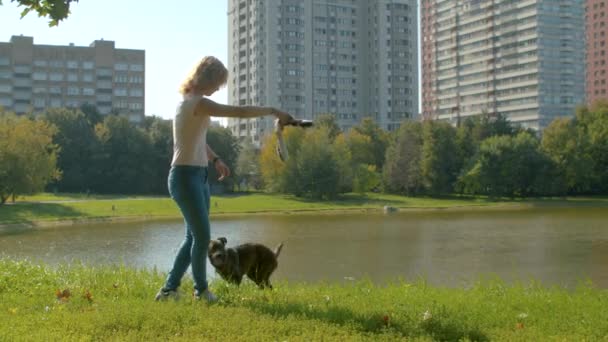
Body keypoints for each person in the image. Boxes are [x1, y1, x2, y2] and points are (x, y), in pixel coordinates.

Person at [155, 56, 294, 302]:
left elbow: (196, 141)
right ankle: (201, 291)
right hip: (185, 177)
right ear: (206, 79)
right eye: (217, 83)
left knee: (192, 238)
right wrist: (273, 110)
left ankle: (169, 290)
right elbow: (238, 112)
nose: (218, 88)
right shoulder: (197, 102)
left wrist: (216, 159)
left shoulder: (189, 104)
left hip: (198, 175)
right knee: (201, 238)